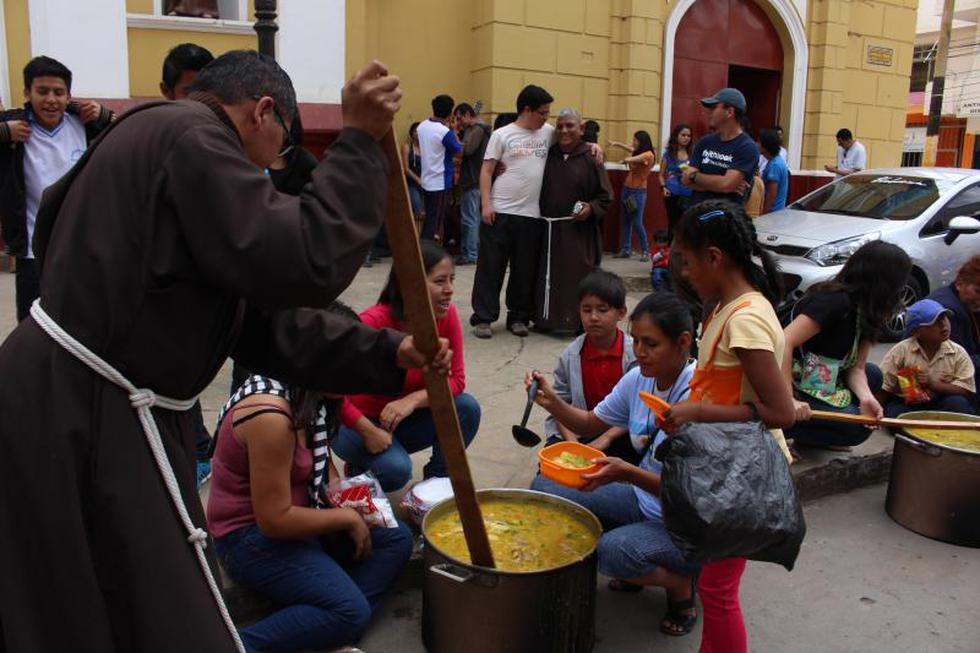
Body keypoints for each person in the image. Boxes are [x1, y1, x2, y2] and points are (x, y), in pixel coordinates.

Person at [0, 52, 451, 652]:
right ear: (263, 112)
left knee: (115, 597)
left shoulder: (161, 141)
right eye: (281, 147)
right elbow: (304, 259)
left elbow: (258, 324)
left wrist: (388, 352)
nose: (268, 169)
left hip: (96, 405)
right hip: (83, 409)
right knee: (124, 603)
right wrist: (361, 142)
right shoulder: (189, 134)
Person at [209, 305, 413, 651]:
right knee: (350, 612)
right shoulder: (271, 415)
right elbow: (273, 521)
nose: (358, 375)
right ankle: (240, 645)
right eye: (349, 363)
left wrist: (350, 500)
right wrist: (346, 516)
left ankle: (325, 622)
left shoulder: (315, 393)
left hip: (298, 515)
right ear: (317, 358)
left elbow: (321, 462)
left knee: (397, 538)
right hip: (247, 538)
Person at [528, 292, 701, 636]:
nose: (638, 351)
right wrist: (552, 402)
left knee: (610, 553)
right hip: (645, 500)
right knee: (545, 487)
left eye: (650, 343)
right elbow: (591, 423)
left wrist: (625, 472)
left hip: (687, 526)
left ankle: (681, 584)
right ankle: (640, 562)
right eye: (635, 340)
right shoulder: (640, 377)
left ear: (683, 343)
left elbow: (685, 493)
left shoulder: (699, 398)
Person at [667, 200, 796, 653]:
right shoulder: (728, 306)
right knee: (715, 586)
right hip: (724, 462)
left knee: (719, 591)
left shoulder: (745, 319)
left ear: (715, 258)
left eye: (686, 260)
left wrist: (697, 413)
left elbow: (778, 410)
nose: (683, 272)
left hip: (744, 475)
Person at [333, 242, 481, 492]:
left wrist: (411, 400)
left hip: (403, 419)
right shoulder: (372, 323)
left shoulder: (446, 316)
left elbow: (456, 380)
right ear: (410, 284)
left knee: (466, 408)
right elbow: (330, 393)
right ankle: (359, 470)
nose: (450, 290)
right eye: (440, 281)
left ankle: (437, 482)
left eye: (452, 280)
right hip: (354, 424)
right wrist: (368, 431)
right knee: (396, 470)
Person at [0, 55, 114, 322]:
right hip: (32, 247)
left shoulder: (84, 123)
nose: (51, 99)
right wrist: (4, 132)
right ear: (27, 92)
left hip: (81, 244)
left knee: (83, 319)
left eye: (58, 92)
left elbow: (132, 132)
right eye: (42, 91)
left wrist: (105, 115)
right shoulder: (15, 126)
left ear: (68, 95)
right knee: (33, 322)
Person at [782, 241, 911, 451]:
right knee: (855, 427)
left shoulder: (869, 311)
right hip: (787, 375)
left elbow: (857, 368)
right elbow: (784, 341)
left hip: (817, 376)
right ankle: (782, 426)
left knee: (873, 375)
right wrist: (787, 400)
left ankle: (813, 432)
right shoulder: (835, 300)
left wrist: (867, 399)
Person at [471, 85, 555, 339]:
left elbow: (573, 139)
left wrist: (593, 148)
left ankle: (518, 317)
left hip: (531, 214)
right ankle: (484, 318)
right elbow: (486, 171)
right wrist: (486, 204)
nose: (546, 118)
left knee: (524, 269)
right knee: (491, 267)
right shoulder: (502, 135)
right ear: (527, 110)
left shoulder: (548, 133)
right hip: (500, 211)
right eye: (542, 112)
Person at [541, 269, 638, 462]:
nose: (593, 317)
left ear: (621, 313)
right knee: (547, 474)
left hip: (619, 431)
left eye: (603, 310)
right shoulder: (569, 356)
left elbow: (637, 409)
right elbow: (560, 407)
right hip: (577, 431)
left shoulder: (634, 355)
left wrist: (605, 438)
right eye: (586, 310)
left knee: (636, 460)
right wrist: (574, 445)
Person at [534, 108, 612, 332]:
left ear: (582, 128)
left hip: (579, 232)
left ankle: (578, 323)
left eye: (570, 125)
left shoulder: (591, 157)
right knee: (549, 277)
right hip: (550, 229)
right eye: (559, 126)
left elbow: (605, 196)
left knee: (578, 277)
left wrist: (590, 208)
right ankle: (547, 320)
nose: (564, 130)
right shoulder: (549, 154)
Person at [879, 299, 976, 417]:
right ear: (916, 332)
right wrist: (875, 409)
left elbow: (965, 389)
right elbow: (885, 386)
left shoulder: (958, 352)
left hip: (941, 402)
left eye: (944, 318)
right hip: (907, 404)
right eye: (935, 322)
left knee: (958, 404)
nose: (944, 325)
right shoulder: (901, 351)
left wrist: (932, 384)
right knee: (895, 413)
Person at [681, 88, 759, 206]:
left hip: (725, 220)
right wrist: (721, 184)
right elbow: (685, 180)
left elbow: (726, 184)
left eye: (713, 108)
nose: (708, 112)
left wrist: (694, 176)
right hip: (696, 217)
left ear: (729, 112)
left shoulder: (747, 147)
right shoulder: (705, 142)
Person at [928, 255, 980, 404]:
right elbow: (955, 363)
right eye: (978, 291)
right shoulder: (950, 312)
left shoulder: (961, 300)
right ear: (959, 284)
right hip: (934, 384)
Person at [417, 94, 462, 241]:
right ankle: (427, 254)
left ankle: (425, 249)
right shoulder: (444, 132)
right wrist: (454, 131)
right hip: (440, 182)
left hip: (426, 180)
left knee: (429, 219)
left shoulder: (421, 126)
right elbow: (459, 151)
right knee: (435, 224)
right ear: (450, 113)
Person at [454, 102, 491, 265]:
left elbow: (466, 151)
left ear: (468, 115)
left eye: (459, 117)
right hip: (475, 180)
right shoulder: (475, 129)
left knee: (470, 219)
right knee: (473, 218)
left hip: (473, 180)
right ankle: (471, 252)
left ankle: (470, 254)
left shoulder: (477, 130)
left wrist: (455, 135)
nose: (458, 121)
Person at [610, 130, 655, 260]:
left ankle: (646, 251)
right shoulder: (639, 152)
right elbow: (630, 149)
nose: (633, 142)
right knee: (627, 221)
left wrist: (625, 159)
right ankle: (626, 249)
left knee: (636, 221)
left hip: (638, 192)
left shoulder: (648, 155)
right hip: (627, 190)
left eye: (635, 140)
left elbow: (634, 158)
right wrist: (616, 143)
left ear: (642, 142)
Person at [660, 124, 694, 240]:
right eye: (683, 135)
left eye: (688, 136)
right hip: (672, 193)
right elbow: (660, 175)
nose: (686, 138)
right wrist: (663, 187)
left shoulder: (693, 155)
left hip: (689, 193)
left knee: (687, 223)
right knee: (673, 223)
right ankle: (671, 252)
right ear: (676, 136)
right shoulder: (668, 155)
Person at [760, 129, 789, 213]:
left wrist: (764, 212)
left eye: (759, 142)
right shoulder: (775, 161)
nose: (756, 144)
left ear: (765, 146)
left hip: (772, 214)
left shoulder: (775, 165)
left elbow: (771, 194)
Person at [404, 121, 424, 220]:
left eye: (420, 131)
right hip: (413, 184)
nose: (417, 133)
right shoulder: (407, 147)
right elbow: (406, 168)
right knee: (418, 211)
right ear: (411, 133)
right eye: (415, 131)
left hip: (426, 184)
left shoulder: (426, 148)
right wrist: (417, 179)